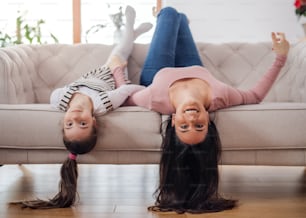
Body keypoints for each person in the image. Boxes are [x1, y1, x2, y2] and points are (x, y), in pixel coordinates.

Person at [125, 7, 290, 213]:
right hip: (196, 69)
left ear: (173, 121)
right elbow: (255, 96)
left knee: (167, 12)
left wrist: (116, 66)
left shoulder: (153, 98)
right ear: (208, 120)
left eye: (184, 126)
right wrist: (281, 57)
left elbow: (126, 95)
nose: (192, 117)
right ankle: (181, 21)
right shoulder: (220, 96)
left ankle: (172, 18)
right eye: (199, 125)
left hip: (158, 73)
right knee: (180, 19)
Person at [12, 5, 152, 209]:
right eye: (83, 123)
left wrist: (74, 96)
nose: (76, 116)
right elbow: (125, 91)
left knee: (119, 51)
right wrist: (145, 90)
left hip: (89, 76)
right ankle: (130, 29)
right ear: (94, 120)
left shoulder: (59, 100)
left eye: (70, 123)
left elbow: (58, 93)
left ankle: (131, 33)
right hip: (110, 76)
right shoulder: (102, 104)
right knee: (119, 55)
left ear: (63, 121)